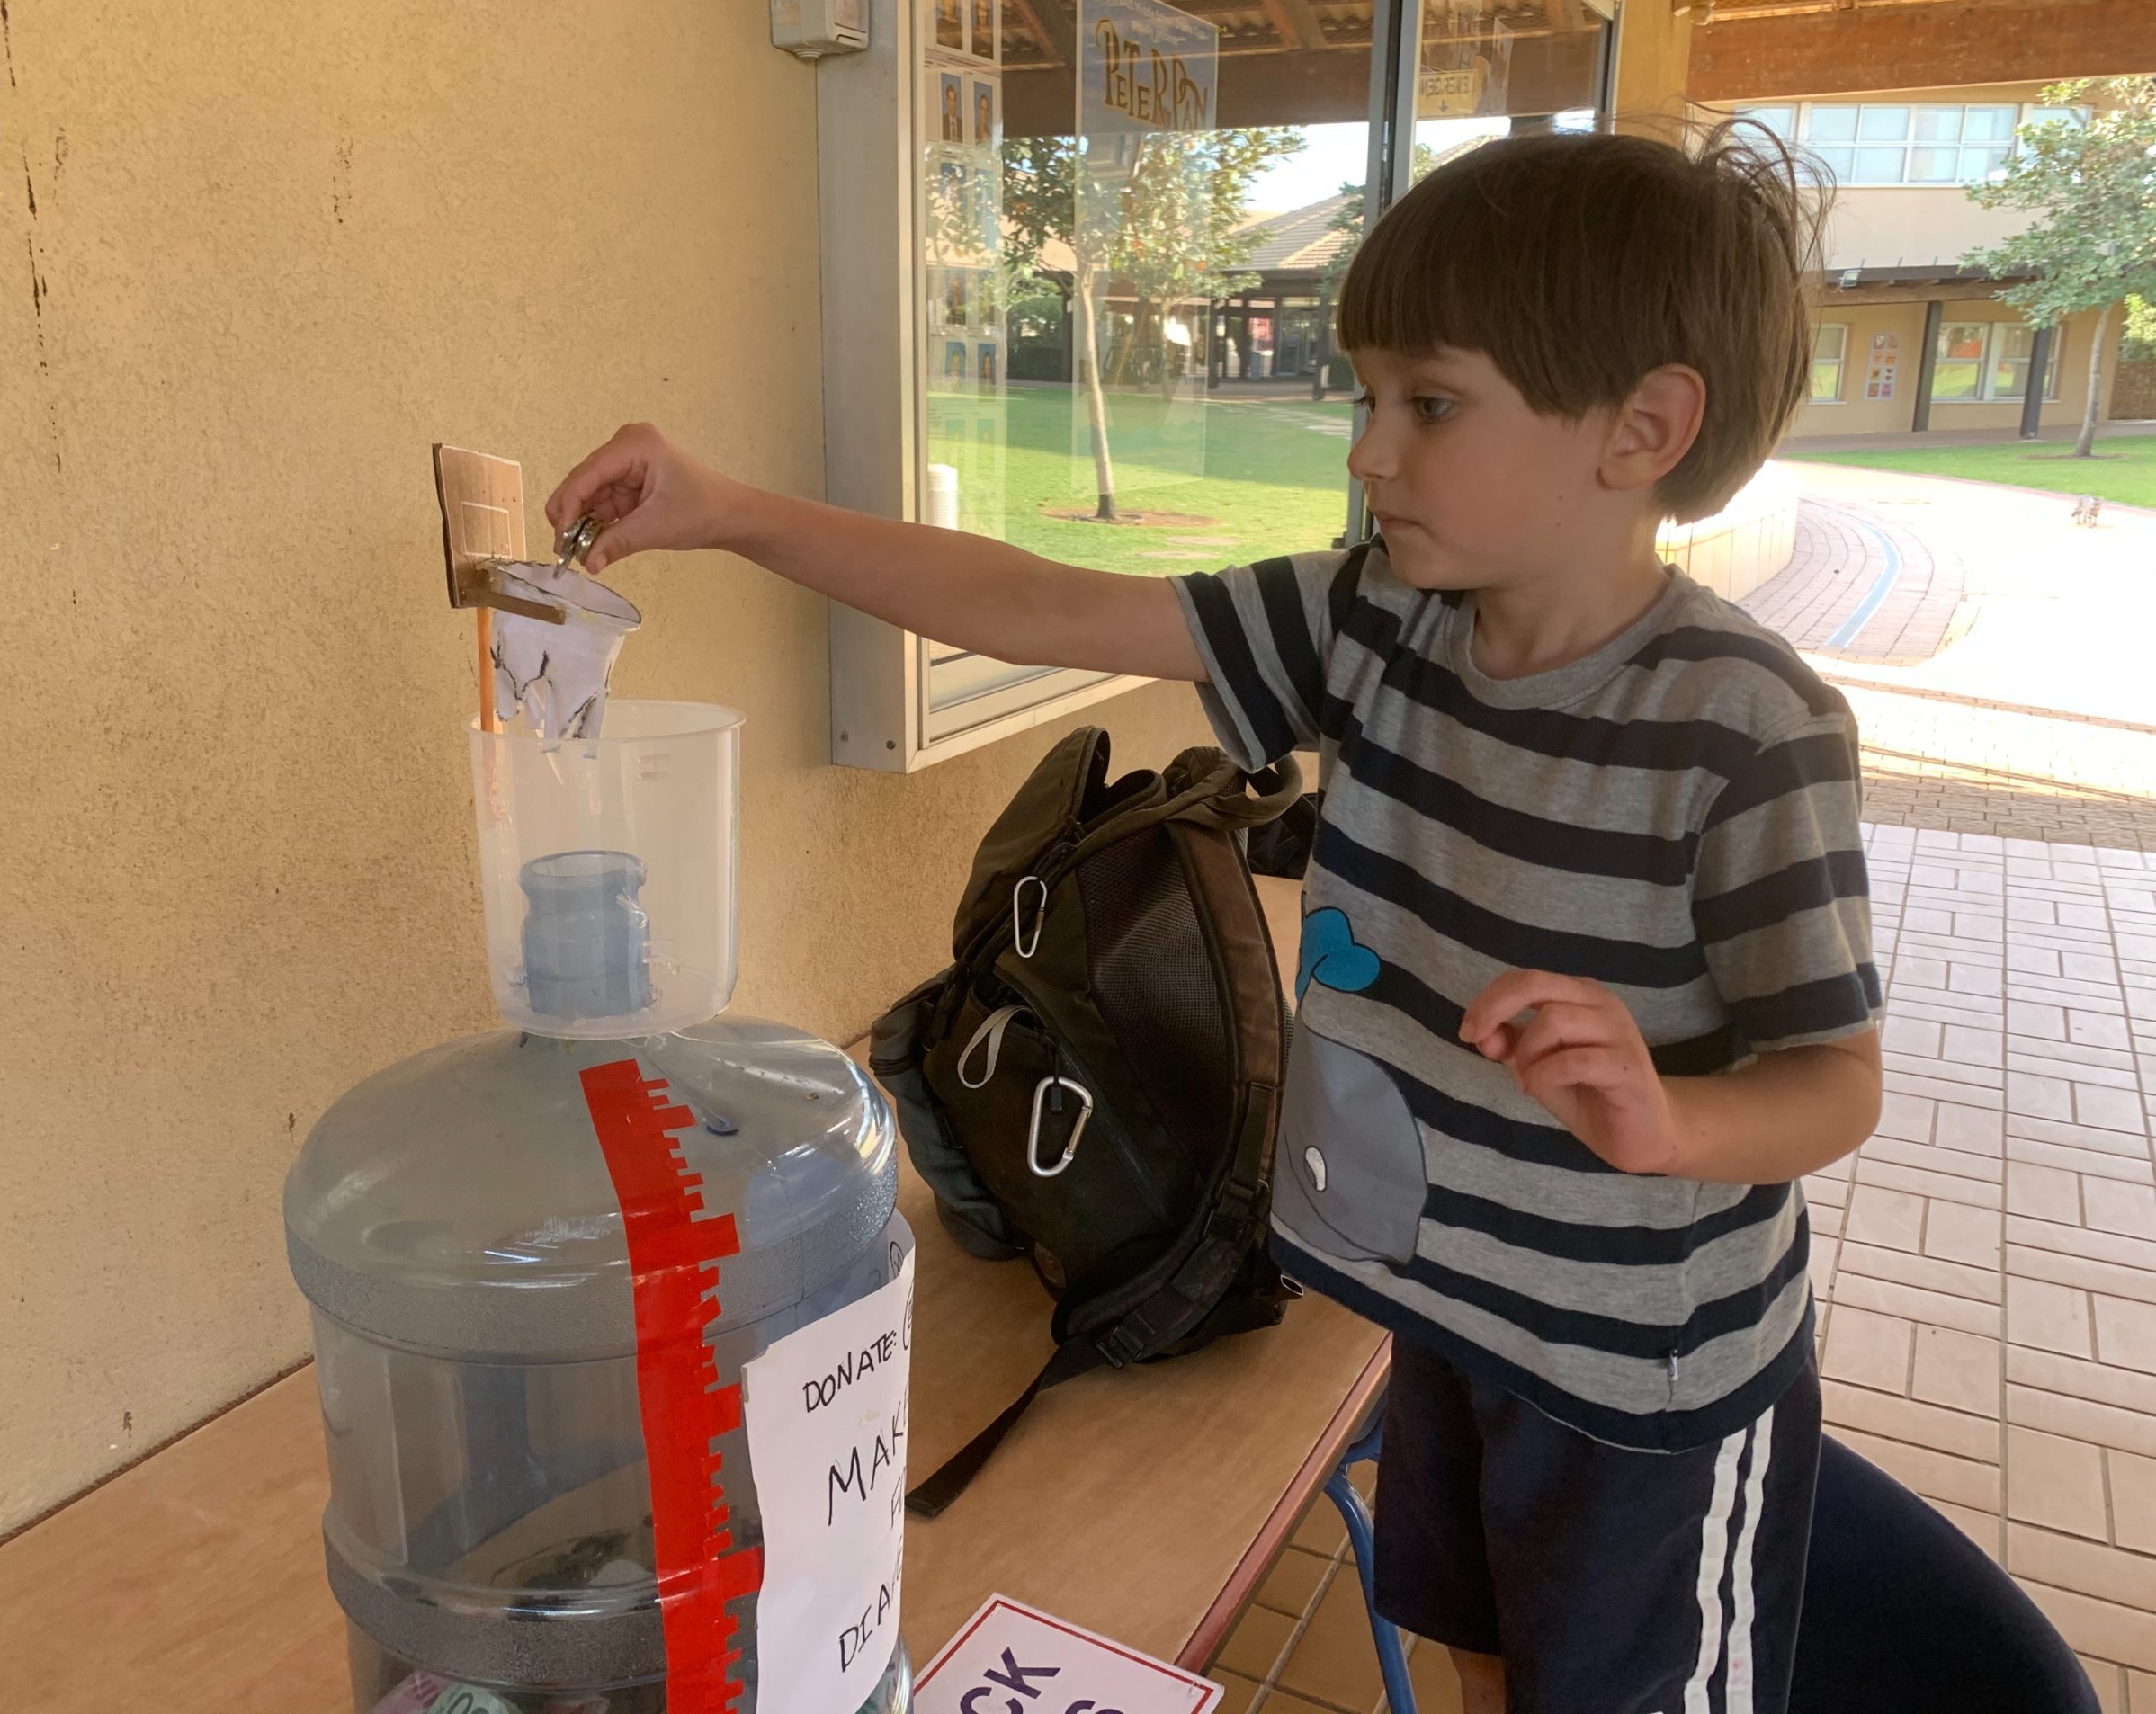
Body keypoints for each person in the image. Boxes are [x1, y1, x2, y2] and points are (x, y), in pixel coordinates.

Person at [550, 129, 1896, 1712]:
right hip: (1453, 1325)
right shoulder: (1372, 623)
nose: (1370, 453)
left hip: (1642, 1391)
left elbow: (1836, 1082)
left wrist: (1670, 1121)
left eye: (1430, 404)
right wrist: (726, 510)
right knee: (1480, 1666)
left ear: (1643, 429)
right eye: (1368, 398)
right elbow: (1036, 603)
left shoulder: (1747, 731)